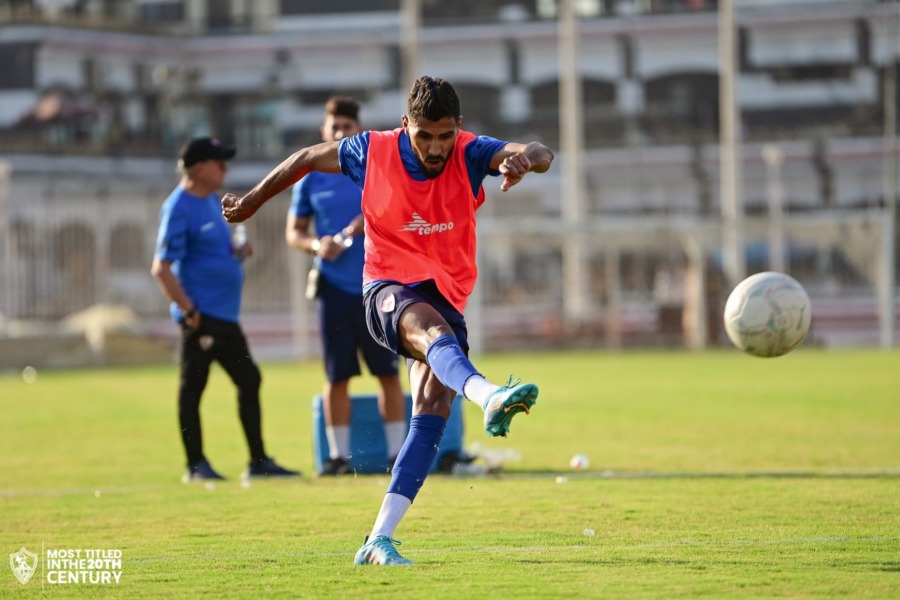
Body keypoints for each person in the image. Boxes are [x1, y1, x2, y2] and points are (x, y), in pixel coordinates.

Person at [222, 76, 554, 565]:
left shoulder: (471, 151)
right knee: (431, 332)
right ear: (406, 125)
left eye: (445, 135)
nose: (436, 147)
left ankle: (378, 539)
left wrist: (524, 158)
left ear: (458, 128)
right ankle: (488, 395)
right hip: (387, 287)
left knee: (433, 405)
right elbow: (305, 158)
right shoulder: (371, 150)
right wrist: (251, 201)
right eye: (424, 135)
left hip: (447, 293)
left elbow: (542, 150)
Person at [151, 136, 300, 483]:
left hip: (225, 317)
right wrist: (189, 311)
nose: (225, 169)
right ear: (200, 167)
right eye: (220, 163)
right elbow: (161, 267)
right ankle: (195, 465)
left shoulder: (211, 203)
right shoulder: (179, 207)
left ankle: (258, 461)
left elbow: (213, 252)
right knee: (193, 388)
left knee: (250, 380)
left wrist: (238, 252)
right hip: (201, 317)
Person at [286, 97, 407, 476]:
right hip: (334, 288)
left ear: (358, 131)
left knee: (388, 373)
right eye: (333, 128)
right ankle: (337, 458)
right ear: (324, 132)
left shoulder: (375, 168)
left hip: (378, 286)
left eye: (347, 128)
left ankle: (396, 456)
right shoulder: (309, 177)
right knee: (337, 375)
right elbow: (294, 233)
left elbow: (399, 213)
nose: (339, 134)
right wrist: (316, 245)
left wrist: (364, 222)